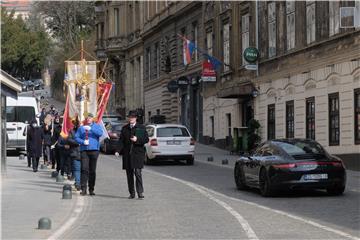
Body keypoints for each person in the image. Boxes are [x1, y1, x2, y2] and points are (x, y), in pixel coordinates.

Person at [118, 110, 149, 199]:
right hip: (128, 154)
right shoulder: (125, 128)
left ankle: (140, 192)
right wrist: (118, 150)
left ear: (135, 118)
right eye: (130, 117)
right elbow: (121, 141)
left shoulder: (141, 127)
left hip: (138, 153)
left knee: (138, 172)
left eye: (132, 117)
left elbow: (146, 139)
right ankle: (132, 193)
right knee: (129, 174)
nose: (131, 118)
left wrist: (137, 139)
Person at [75, 113, 103, 196]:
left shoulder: (97, 126)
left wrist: (91, 129)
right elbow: (76, 137)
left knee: (92, 170)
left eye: (90, 118)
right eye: (87, 118)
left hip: (94, 150)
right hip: (84, 150)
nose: (88, 119)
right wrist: (82, 142)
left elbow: (100, 133)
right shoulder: (81, 128)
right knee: (84, 169)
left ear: (92, 119)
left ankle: (91, 189)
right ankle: (83, 189)